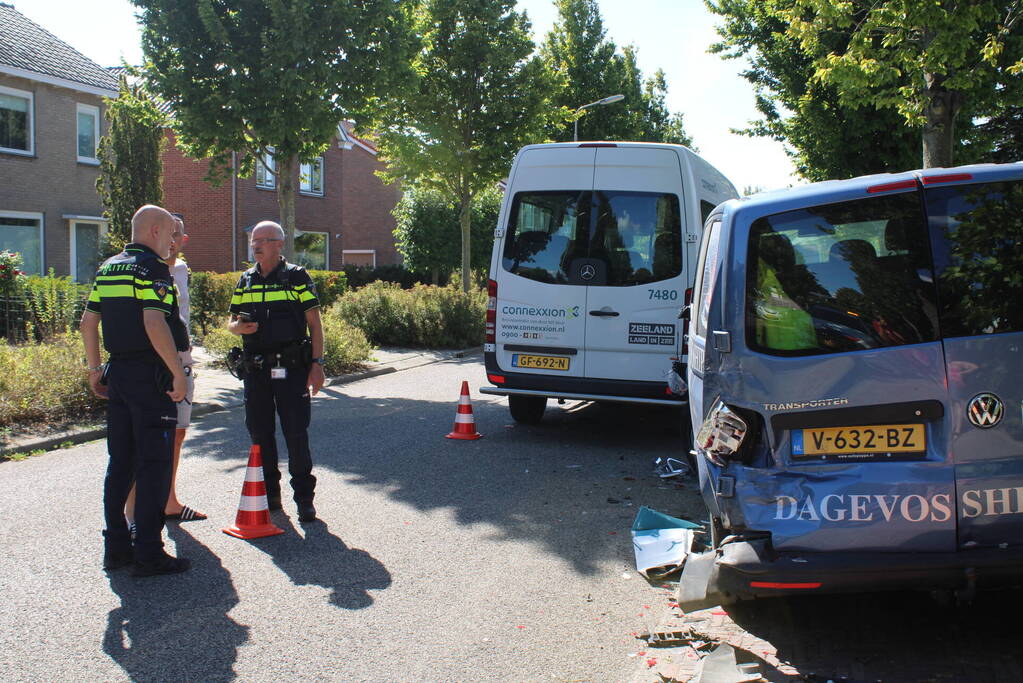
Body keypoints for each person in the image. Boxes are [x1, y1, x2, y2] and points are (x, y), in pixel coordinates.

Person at [80, 204, 191, 576]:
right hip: (149, 376)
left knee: (120, 464)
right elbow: (154, 321)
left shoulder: (109, 267)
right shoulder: (153, 269)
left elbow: (88, 321)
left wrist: (96, 369)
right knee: (155, 466)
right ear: (156, 231)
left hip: (120, 375)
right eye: (172, 234)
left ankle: (116, 548)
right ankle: (149, 552)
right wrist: (177, 373)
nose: (174, 241)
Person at [227, 221, 325, 523]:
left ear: (279, 244)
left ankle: (304, 499)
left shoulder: (296, 277)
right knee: (260, 433)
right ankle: (270, 494)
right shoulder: (246, 279)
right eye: (253, 240)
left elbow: (315, 323)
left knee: (295, 432)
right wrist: (237, 328)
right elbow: (230, 322)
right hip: (256, 369)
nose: (255, 246)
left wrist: (317, 365)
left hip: (291, 367)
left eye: (263, 240)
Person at [124, 215, 206, 530]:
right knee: (143, 440)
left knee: (177, 436)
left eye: (178, 235)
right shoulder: (142, 268)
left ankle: (170, 502)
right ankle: (134, 516)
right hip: (154, 367)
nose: (173, 241)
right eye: (169, 234)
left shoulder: (181, 270)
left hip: (182, 362)